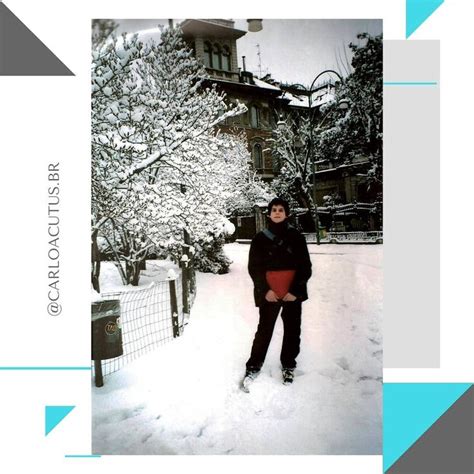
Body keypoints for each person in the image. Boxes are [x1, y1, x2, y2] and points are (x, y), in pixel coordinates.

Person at [242, 197, 312, 390]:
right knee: (264, 330)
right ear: (270, 213)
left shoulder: (297, 237)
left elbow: (305, 267)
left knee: (292, 330)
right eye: (274, 210)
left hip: (291, 293)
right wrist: (265, 291)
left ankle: (289, 365)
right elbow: (254, 268)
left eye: (281, 209)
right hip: (269, 294)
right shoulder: (259, 239)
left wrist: (295, 291)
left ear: (287, 213)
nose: (277, 212)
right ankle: (254, 365)